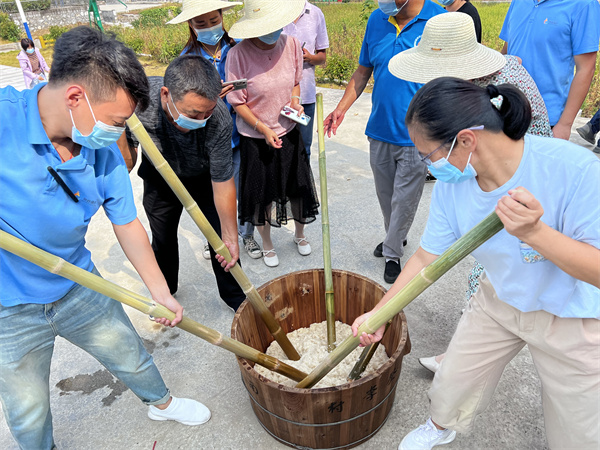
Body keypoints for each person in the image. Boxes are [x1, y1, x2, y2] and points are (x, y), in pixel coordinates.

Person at [352, 78, 600, 450]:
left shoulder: (573, 168)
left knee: (579, 427)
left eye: (429, 155)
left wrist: (534, 233)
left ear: (466, 140)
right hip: (499, 297)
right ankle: (441, 425)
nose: (428, 164)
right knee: (453, 381)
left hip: (568, 314)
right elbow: (425, 256)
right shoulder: (455, 186)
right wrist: (382, 311)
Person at [0, 27, 211, 450]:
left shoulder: (101, 148)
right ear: (76, 97)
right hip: (9, 308)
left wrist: (159, 291)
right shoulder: (5, 121)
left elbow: (127, 223)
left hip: (79, 282)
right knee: (27, 407)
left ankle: (161, 402)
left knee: (129, 352)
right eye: (116, 122)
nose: (117, 134)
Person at [388, 11, 556, 372]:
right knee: (489, 267)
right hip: (489, 175)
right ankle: (471, 346)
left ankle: (467, 353)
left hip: (518, 185)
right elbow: (426, 255)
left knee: (499, 272)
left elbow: (508, 158)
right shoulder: (474, 84)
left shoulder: (492, 91)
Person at [323, 0, 445, 283]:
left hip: (418, 136)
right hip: (380, 129)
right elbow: (363, 71)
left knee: (405, 199)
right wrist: (341, 109)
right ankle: (396, 237)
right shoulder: (377, 19)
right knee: (386, 197)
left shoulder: (438, 20)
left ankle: (392, 253)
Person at [124, 55, 246, 311]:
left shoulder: (218, 118)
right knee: (163, 238)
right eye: (193, 113)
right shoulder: (137, 103)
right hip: (159, 177)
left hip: (202, 176)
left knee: (221, 243)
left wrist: (231, 236)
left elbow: (223, 180)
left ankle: (238, 301)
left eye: (207, 111)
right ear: (166, 94)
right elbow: (127, 160)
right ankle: (166, 292)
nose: (201, 119)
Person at [226, 0, 320, 268]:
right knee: (262, 193)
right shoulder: (238, 55)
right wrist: (263, 128)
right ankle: (267, 243)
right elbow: (237, 101)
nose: (271, 32)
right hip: (256, 138)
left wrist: (295, 100)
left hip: (288, 130)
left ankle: (300, 235)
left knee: (298, 185)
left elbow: (295, 82)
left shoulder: (291, 44)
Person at [168, 0, 262, 261]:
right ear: (191, 25)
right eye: (201, 23)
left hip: (241, 132)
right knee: (215, 192)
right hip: (207, 138)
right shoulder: (187, 58)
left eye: (213, 21)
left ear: (222, 17)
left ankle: (247, 234)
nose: (209, 27)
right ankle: (218, 238)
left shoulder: (239, 48)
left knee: (244, 187)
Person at [499, 0, 600, 140]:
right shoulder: (518, 1)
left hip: (545, 119)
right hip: (504, 110)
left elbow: (586, 68)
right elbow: (507, 50)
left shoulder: (584, 4)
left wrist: (565, 124)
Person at [283, 0, 330, 157]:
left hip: (306, 95)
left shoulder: (315, 14)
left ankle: (303, 182)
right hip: (279, 94)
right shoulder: (277, 12)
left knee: (304, 147)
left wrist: (310, 57)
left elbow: (322, 57)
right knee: (281, 145)